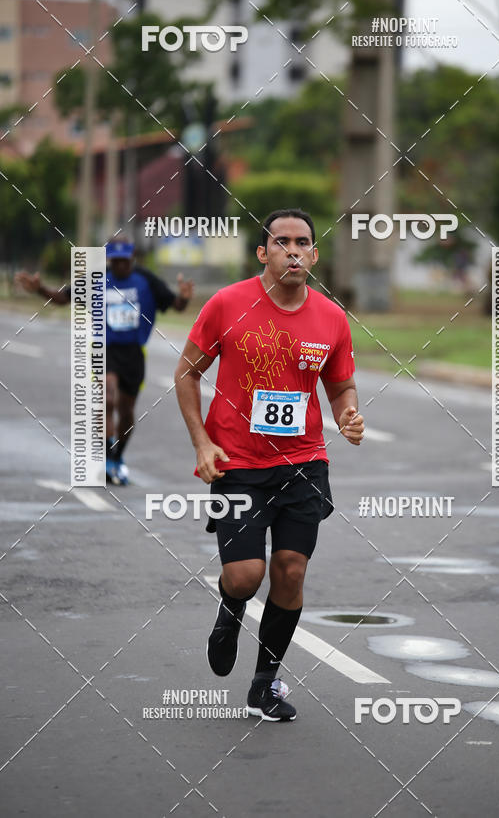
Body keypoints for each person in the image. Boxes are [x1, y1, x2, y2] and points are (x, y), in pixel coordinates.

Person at [174, 208, 364, 722]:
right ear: (264, 252)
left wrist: (346, 413)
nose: (294, 250)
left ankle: (265, 684)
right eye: (282, 242)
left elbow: (339, 384)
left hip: (304, 461)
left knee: (290, 570)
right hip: (237, 461)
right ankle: (230, 608)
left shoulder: (331, 317)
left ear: (315, 253)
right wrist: (201, 443)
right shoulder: (227, 304)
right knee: (244, 575)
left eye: (304, 242)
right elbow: (186, 375)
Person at [15, 238, 193, 485]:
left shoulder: (146, 280)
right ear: (110, 260)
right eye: (115, 260)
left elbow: (175, 305)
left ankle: (117, 456)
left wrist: (184, 297)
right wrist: (40, 289)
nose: (120, 265)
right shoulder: (97, 278)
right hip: (104, 348)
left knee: (127, 410)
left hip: (134, 353)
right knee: (107, 397)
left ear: (132, 258)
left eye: (125, 260)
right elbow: (63, 297)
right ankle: (108, 454)